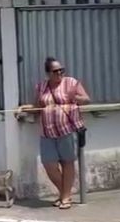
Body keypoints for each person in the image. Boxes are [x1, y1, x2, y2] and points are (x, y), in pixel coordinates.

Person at [17, 57, 90, 210]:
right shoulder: (42, 86)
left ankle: (65, 197)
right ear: (48, 73)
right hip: (47, 131)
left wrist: (74, 97)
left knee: (67, 162)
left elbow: (86, 99)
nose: (59, 74)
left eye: (61, 70)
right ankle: (65, 193)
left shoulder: (71, 82)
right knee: (49, 164)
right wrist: (23, 108)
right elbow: (38, 106)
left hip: (67, 129)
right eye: (56, 71)